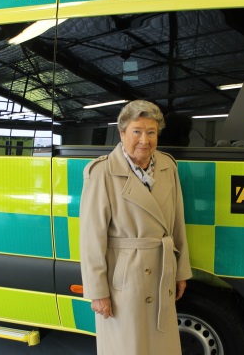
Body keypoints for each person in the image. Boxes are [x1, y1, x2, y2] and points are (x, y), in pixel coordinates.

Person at [80, 100, 192, 355]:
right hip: (124, 282)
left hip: (161, 273)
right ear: (122, 133)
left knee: (160, 346)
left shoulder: (167, 166)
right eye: (137, 131)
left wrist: (181, 270)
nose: (145, 140)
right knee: (127, 347)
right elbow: (91, 238)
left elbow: (177, 223)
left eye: (151, 132)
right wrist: (98, 292)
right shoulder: (102, 172)